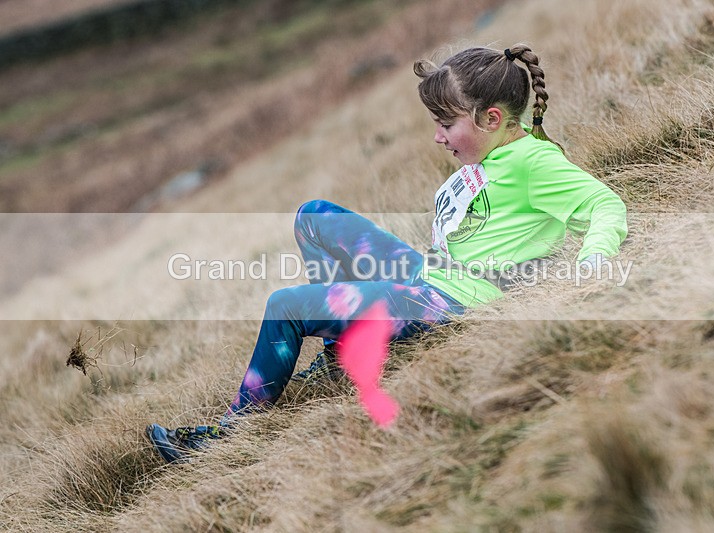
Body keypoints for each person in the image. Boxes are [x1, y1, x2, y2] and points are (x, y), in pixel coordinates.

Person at [147, 43, 627, 463]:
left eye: (446, 124)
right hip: (429, 276)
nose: (438, 136)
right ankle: (340, 354)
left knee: (284, 307)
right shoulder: (492, 151)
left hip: (453, 301)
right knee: (314, 215)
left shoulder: (534, 162)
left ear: (492, 118)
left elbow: (604, 205)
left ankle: (231, 435)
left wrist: (593, 261)